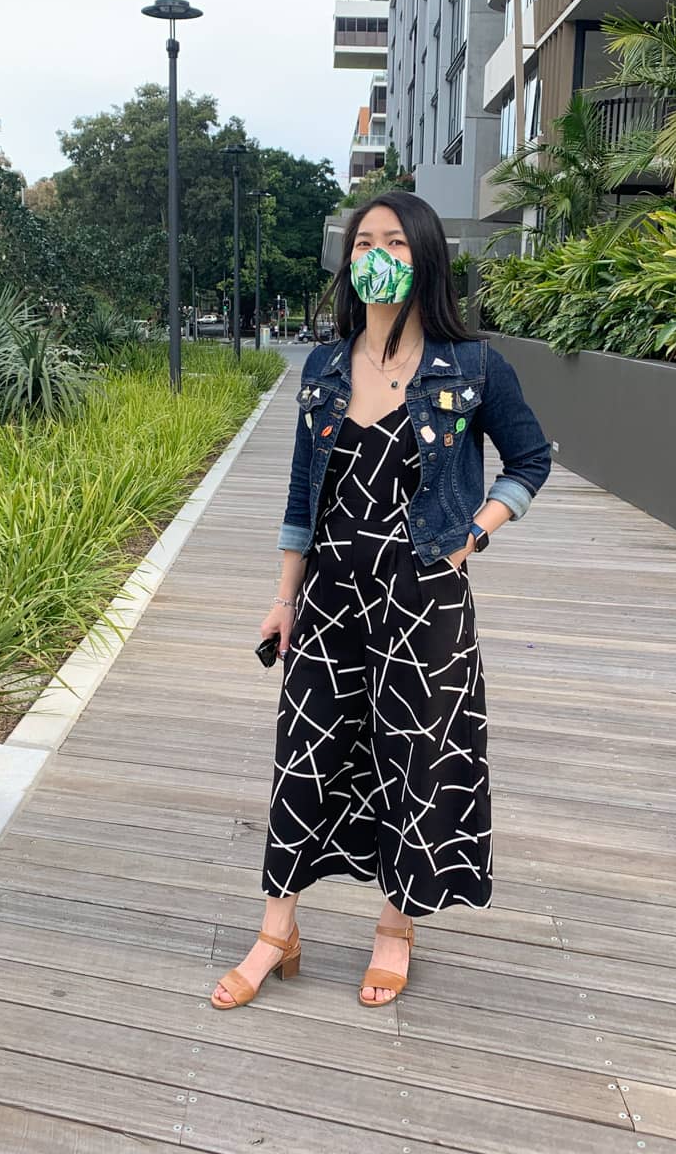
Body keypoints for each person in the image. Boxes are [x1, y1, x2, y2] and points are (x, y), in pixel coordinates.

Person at [210, 191, 552, 1010]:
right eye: (365, 241)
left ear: (424, 256)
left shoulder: (472, 366)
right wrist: (282, 600)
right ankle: (276, 930)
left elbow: (532, 459)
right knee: (306, 753)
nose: (377, 254)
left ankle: (396, 928)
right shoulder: (325, 369)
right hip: (329, 594)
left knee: (412, 758)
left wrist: (479, 528)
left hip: (425, 595)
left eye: (394, 241)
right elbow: (302, 500)